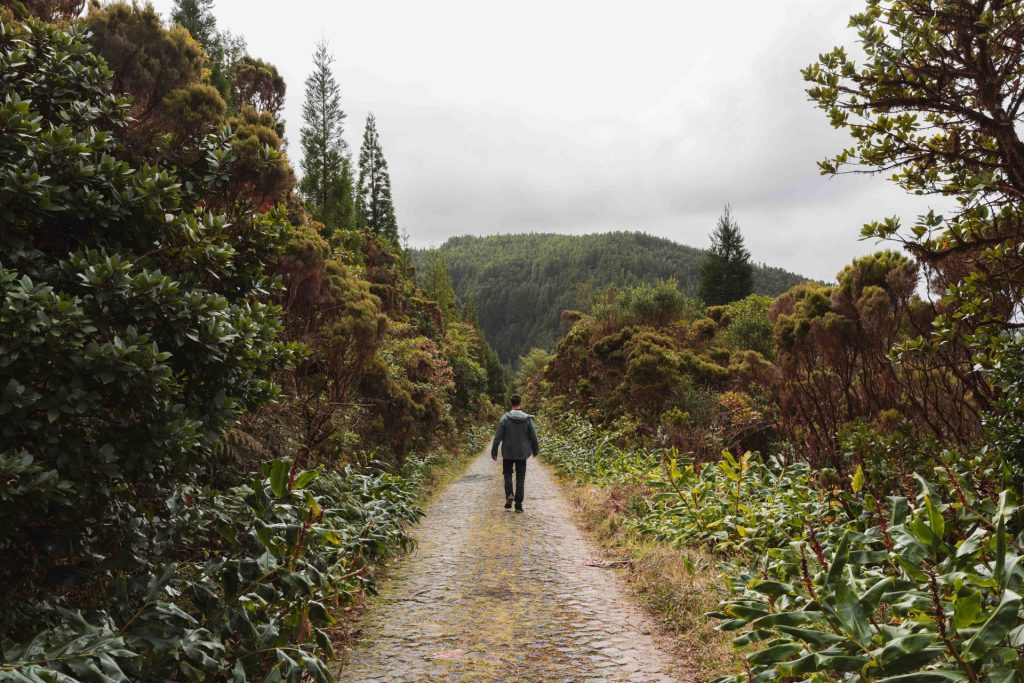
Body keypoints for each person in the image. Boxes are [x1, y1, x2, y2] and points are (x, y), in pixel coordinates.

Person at [490, 394, 539, 513]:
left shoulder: (505, 419)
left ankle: (509, 495)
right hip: (522, 453)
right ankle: (518, 505)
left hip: (508, 452)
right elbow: (533, 436)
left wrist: (494, 450)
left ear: (510, 403)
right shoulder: (527, 419)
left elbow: (497, 437)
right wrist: (535, 449)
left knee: (507, 474)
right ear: (520, 403)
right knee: (520, 478)